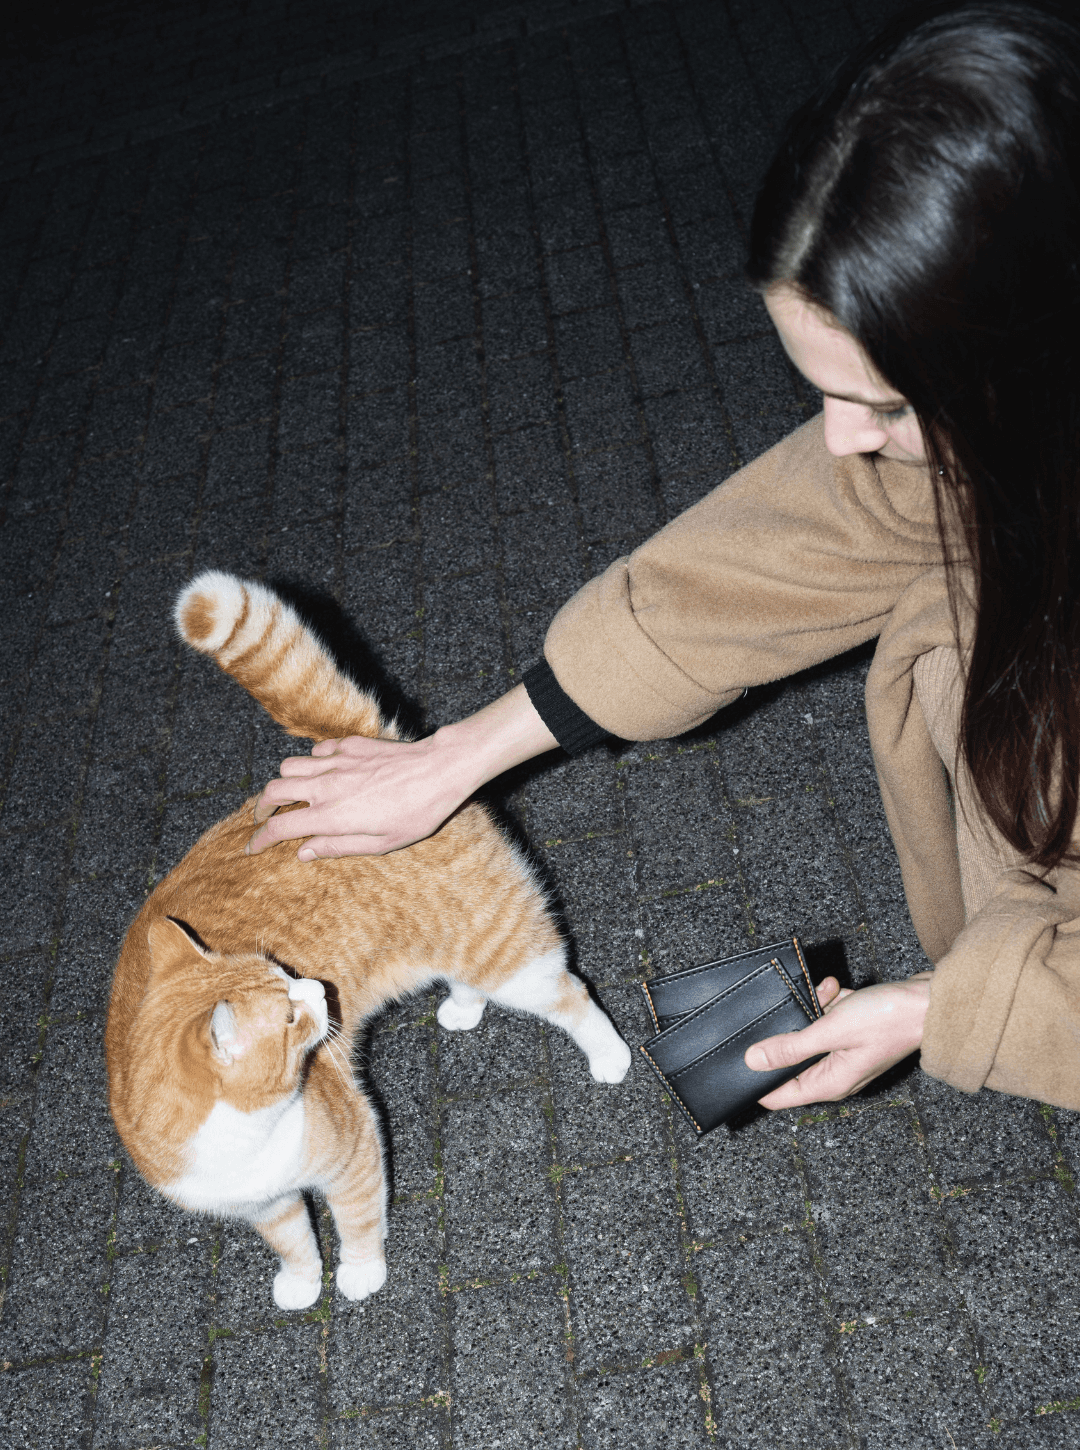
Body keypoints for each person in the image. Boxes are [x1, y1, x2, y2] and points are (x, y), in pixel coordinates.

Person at [246, 0, 1080, 1113]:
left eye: (880, 402)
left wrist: (962, 1010)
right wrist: (455, 758)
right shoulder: (1002, 434)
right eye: (819, 389)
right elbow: (771, 555)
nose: (838, 440)